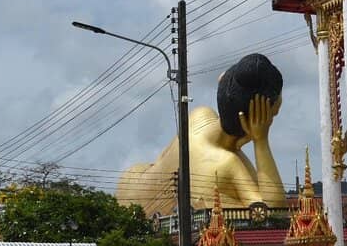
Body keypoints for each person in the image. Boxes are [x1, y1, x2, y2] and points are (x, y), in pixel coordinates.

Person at [116, 53, 286, 215]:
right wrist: (260, 140)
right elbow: (273, 213)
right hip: (152, 223)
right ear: (257, 119)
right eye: (273, 114)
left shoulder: (200, 115)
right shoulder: (228, 164)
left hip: (130, 181)